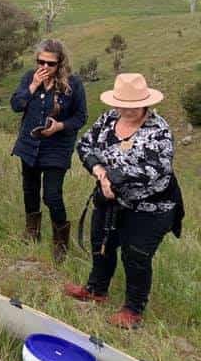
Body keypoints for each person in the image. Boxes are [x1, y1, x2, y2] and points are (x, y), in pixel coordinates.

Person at [64, 73, 184, 329]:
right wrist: (100, 173)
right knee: (101, 243)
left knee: (136, 255)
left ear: (145, 103)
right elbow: (85, 145)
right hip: (109, 200)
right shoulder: (108, 119)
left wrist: (114, 179)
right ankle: (96, 289)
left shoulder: (158, 130)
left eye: (133, 105)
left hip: (151, 207)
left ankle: (133, 309)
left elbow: (157, 168)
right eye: (122, 104)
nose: (126, 110)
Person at [10, 39, 88, 262]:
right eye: (40, 61)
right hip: (29, 144)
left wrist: (59, 126)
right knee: (30, 189)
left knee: (52, 195)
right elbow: (16, 105)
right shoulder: (30, 77)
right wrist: (33, 86)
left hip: (57, 147)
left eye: (50, 63)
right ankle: (32, 232)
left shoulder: (73, 84)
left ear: (60, 63)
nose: (44, 67)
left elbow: (80, 117)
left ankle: (60, 243)